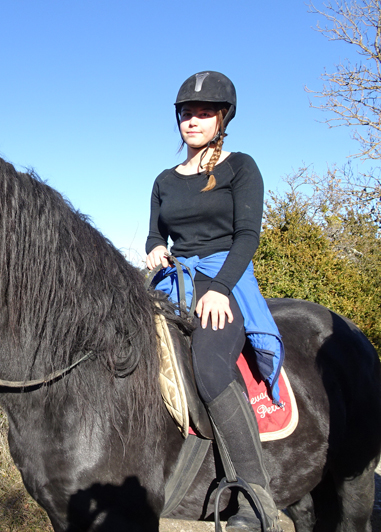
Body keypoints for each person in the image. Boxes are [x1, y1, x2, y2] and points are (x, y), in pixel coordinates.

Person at [145, 71, 282, 532]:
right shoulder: (164, 179)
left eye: (204, 113)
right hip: (175, 278)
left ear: (222, 119)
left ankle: (255, 499)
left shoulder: (240, 167)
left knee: (209, 363)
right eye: (187, 112)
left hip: (226, 276)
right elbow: (153, 233)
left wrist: (221, 289)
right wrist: (154, 248)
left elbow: (248, 236)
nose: (193, 120)